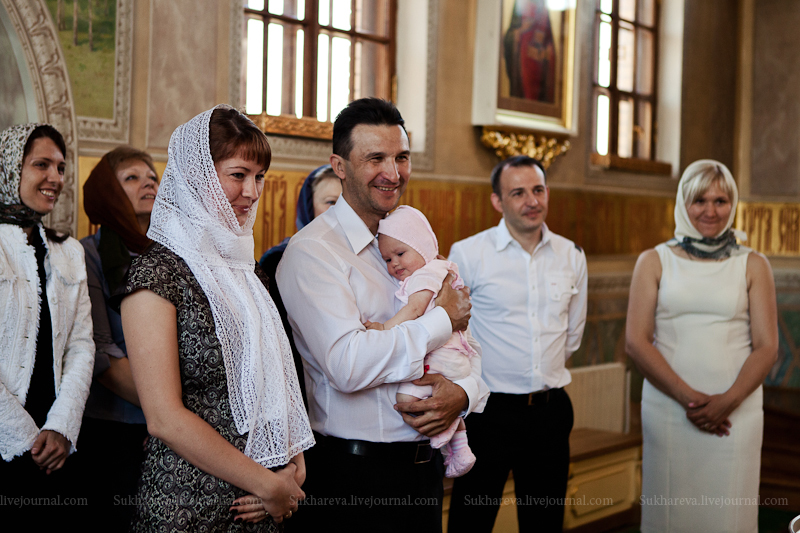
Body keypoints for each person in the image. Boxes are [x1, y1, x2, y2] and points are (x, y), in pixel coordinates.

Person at [276, 97, 487, 532]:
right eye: (376, 158)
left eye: (401, 157)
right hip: (356, 477)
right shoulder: (313, 252)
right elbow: (347, 365)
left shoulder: (411, 240)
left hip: (423, 471)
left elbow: (465, 342)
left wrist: (464, 394)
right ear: (339, 166)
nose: (393, 173)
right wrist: (441, 321)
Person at [120, 105, 313, 532]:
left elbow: (277, 381)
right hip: (189, 506)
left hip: (263, 504)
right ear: (198, 177)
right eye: (238, 175)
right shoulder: (157, 274)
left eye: (259, 177)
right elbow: (164, 418)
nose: (252, 192)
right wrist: (266, 483)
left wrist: (293, 469)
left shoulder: (249, 272)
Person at [625, 160, 778, 533]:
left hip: (736, 411)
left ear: (732, 204)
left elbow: (767, 347)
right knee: (670, 514)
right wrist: (689, 398)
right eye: (700, 200)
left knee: (728, 515)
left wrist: (727, 401)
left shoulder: (753, 264)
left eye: (720, 201)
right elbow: (636, 341)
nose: (710, 210)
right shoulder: (654, 260)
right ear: (683, 203)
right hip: (669, 408)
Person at [447, 155, 587, 532]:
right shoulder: (469, 254)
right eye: (518, 193)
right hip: (488, 413)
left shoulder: (572, 255)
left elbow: (572, 334)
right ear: (498, 201)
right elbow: (454, 335)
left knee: (544, 524)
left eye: (538, 190)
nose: (532, 201)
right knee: (471, 522)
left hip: (549, 412)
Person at [0, 124, 94, 515]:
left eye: (60, 167)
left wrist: (61, 426)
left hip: (56, 445)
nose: (55, 178)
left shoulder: (69, 250)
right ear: (10, 168)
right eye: (41, 165)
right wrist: (25, 437)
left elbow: (81, 344)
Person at [366, 205, 485, 478]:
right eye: (387, 259)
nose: (394, 264)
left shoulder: (426, 274)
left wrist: (383, 328)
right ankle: (459, 449)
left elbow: (415, 309)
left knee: (407, 398)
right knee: (439, 399)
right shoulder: (437, 269)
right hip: (453, 354)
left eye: (400, 253)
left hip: (442, 354)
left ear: (422, 247)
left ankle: (446, 436)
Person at [76, 146, 159, 528]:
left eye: (153, 177)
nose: (149, 184)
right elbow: (101, 351)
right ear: (107, 192)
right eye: (132, 178)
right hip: (113, 428)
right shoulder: (88, 255)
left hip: (172, 426)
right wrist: (168, 412)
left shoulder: (171, 254)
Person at [259, 164, 341, 405]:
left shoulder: (374, 257)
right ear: (309, 207)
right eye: (330, 202)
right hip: (299, 386)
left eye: (345, 203)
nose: (339, 212)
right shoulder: (280, 259)